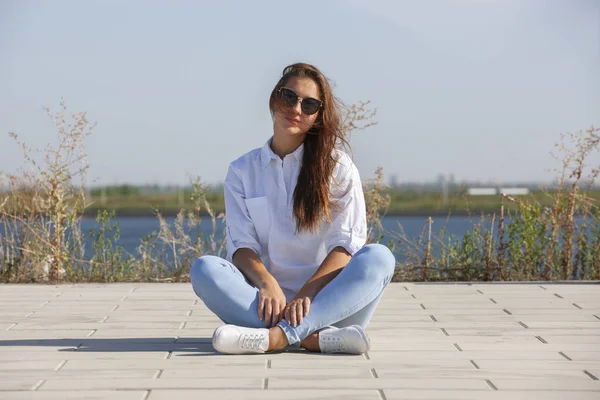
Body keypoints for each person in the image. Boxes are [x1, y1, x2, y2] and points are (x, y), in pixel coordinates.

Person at [190, 62, 396, 355]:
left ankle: (277, 339)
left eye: (309, 104)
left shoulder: (338, 168)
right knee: (204, 269)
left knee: (379, 258)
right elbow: (241, 246)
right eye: (289, 97)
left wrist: (307, 294)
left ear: (317, 116)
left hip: (330, 303)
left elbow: (346, 245)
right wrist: (268, 284)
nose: (296, 108)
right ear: (275, 98)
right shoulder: (241, 171)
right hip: (263, 304)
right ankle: (313, 339)